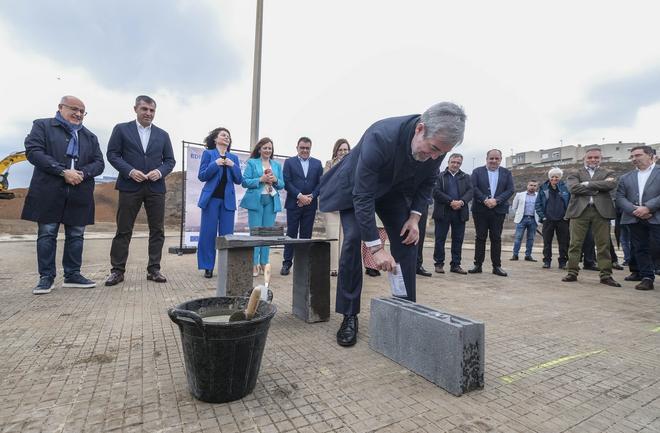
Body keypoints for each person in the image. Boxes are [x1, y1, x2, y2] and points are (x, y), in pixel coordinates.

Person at [320, 102, 467, 347]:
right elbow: (363, 196)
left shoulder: (435, 148)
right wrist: (376, 249)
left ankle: (406, 309)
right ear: (420, 129)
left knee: (408, 240)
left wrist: (415, 218)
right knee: (355, 239)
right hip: (356, 189)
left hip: (392, 191)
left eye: (440, 154)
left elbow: (428, 182)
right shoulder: (381, 136)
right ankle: (349, 315)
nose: (433, 157)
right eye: (432, 149)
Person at [22, 95, 105, 294]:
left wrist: (83, 173)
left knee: (76, 235)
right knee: (47, 233)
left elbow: (99, 163)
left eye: (82, 111)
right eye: (73, 109)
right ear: (60, 107)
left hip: (80, 191)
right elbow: (33, 151)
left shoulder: (90, 136)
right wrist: (62, 171)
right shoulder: (42, 126)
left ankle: (73, 275)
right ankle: (46, 278)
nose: (78, 114)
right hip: (49, 189)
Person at [105, 95, 176, 286]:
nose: (148, 113)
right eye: (144, 109)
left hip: (155, 188)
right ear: (135, 109)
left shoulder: (163, 135)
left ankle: (154, 269)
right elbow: (112, 154)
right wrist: (129, 171)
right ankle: (117, 271)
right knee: (124, 229)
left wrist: (159, 172)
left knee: (157, 230)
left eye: (152, 110)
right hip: (130, 186)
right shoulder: (121, 129)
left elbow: (170, 161)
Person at [562, 148, 620, 286]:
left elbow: (610, 184)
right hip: (579, 212)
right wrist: (599, 188)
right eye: (590, 157)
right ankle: (572, 272)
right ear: (584, 159)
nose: (593, 160)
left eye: (596, 157)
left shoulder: (609, 172)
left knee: (603, 244)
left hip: (601, 212)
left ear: (601, 158)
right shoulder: (575, 173)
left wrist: (588, 184)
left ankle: (606, 275)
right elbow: (573, 188)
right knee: (575, 243)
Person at [196, 127, 243, 278]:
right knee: (207, 234)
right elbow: (202, 176)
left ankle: (226, 267)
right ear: (215, 139)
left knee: (227, 236)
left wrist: (232, 165)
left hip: (227, 202)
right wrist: (215, 163)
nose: (227, 138)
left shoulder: (233, 158)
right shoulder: (208, 154)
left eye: (228, 136)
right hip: (211, 201)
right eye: (223, 135)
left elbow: (239, 179)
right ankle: (207, 266)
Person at [615, 145, 659, 291]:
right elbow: (620, 197)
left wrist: (647, 207)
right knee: (640, 248)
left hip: (656, 216)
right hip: (634, 218)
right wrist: (635, 211)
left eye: (638, 155)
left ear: (650, 156)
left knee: (656, 247)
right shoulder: (626, 177)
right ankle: (647, 277)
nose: (634, 159)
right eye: (632, 156)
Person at [241, 137, 285, 277]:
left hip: (271, 201)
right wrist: (260, 179)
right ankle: (254, 264)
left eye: (270, 148)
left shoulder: (276, 165)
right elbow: (245, 181)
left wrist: (275, 180)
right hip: (256, 201)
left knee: (267, 234)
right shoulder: (252, 163)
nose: (267, 150)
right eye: (265, 148)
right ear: (259, 149)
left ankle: (264, 262)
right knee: (255, 234)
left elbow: (282, 185)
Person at [280, 137, 323, 275]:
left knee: (306, 235)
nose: (304, 150)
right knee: (291, 234)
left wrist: (310, 197)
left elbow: (320, 184)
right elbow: (287, 182)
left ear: (310, 148)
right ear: (297, 147)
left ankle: (304, 264)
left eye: (307, 148)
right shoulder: (289, 162)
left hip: (310, 205)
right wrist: (300, 196)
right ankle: (287, 263)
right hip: (294, 203)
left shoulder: (317, 164)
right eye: (302, 148)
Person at [469, 149, 514, 276]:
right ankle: (477, 265)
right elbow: (473, 187)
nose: (494, 161)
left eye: (496, 158)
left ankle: (497, 266)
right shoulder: (477, 171)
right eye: (491, 158)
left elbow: (510, 189)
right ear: (486, 159)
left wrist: (497, 200)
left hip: (498, 210)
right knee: (480, 237)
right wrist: (484, 199)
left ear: (500, 159)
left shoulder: (506, 173)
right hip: (480, 210)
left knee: (496, 238)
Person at [432, 153, 473, 274]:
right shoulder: (440, 176)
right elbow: (436, 192)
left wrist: (461, 202)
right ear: (448, 162)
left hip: (460, 212)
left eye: (458, 163)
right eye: (453, 162)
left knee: (458, 239)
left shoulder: (466, 177)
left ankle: (455, 264)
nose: (455, 164)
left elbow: (470, 191)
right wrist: (450, 201)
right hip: (443, 212)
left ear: (461, 164)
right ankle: (439, 264)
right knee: (440, 239)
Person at [323, 139, 350, 276]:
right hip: (332, 206)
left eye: (345, 150)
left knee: (345, 238)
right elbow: (326, 181)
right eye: (340, 150)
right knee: (333, 236)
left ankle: (343, 266)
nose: (343, 152)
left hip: (347, 206)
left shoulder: (354, 163)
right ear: (336, 151)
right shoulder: (329, 164)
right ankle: (333, 268)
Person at [535, 167, 570, 269]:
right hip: (548, 220)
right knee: (547, 242)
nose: (555, 179)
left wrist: (567, 216)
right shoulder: (543, 188)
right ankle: (547, 261)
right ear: (549, 177)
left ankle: (563, 262)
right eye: (552, 177)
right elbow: (538, 204)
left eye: (557, 177)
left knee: (564, 242)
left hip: (562, 220)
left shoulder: (565, 187)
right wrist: (543, 216)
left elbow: (570, 203)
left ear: (560, 178)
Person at [510, 180, 540, 261]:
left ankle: (528, 255)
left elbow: (540, 207)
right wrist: (518, 214)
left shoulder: (539, 196)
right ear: (527, 185)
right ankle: (515, 255)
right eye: (531, 185)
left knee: (531, 238)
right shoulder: (519, 195)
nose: (532, 187)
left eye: (534, 186)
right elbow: (514, 207)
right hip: (522, 219)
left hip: (533, 219)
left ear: (536, 187)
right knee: (518, 238)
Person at [415, 204, 432, 276]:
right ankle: (402, 265)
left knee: (420, 236)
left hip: (421, 204)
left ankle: (418, 266)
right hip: (404, 202)